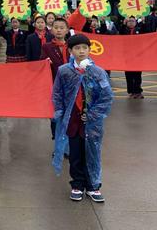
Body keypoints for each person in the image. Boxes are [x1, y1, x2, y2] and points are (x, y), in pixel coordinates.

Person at [52, 34, 113, 203]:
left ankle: (93, 186)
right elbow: (57, 93)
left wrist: (93, 114)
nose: (81, 51)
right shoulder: (64, 71)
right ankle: (77, 184)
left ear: (89, 50)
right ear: (70, 51)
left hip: (92, 123)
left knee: (92, 153)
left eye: (84, 48)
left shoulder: (98, 72)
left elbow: (106, 96)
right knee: (76, 154)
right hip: (73, 121)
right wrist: (59, 111)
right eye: (77, 48)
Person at [119, 16, 146, 98]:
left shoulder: (139, 29)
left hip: (138, 56)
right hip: (127, 56)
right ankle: (131, 91)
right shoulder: (124, 30)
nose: (131, 22)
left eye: (133, 21)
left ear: (136, 22)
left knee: (137, 75)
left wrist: (143, 22)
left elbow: (147, 31)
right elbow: (119, 33)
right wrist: (123, 24)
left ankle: (138, 91)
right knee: (129, 75)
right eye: (129, 21)